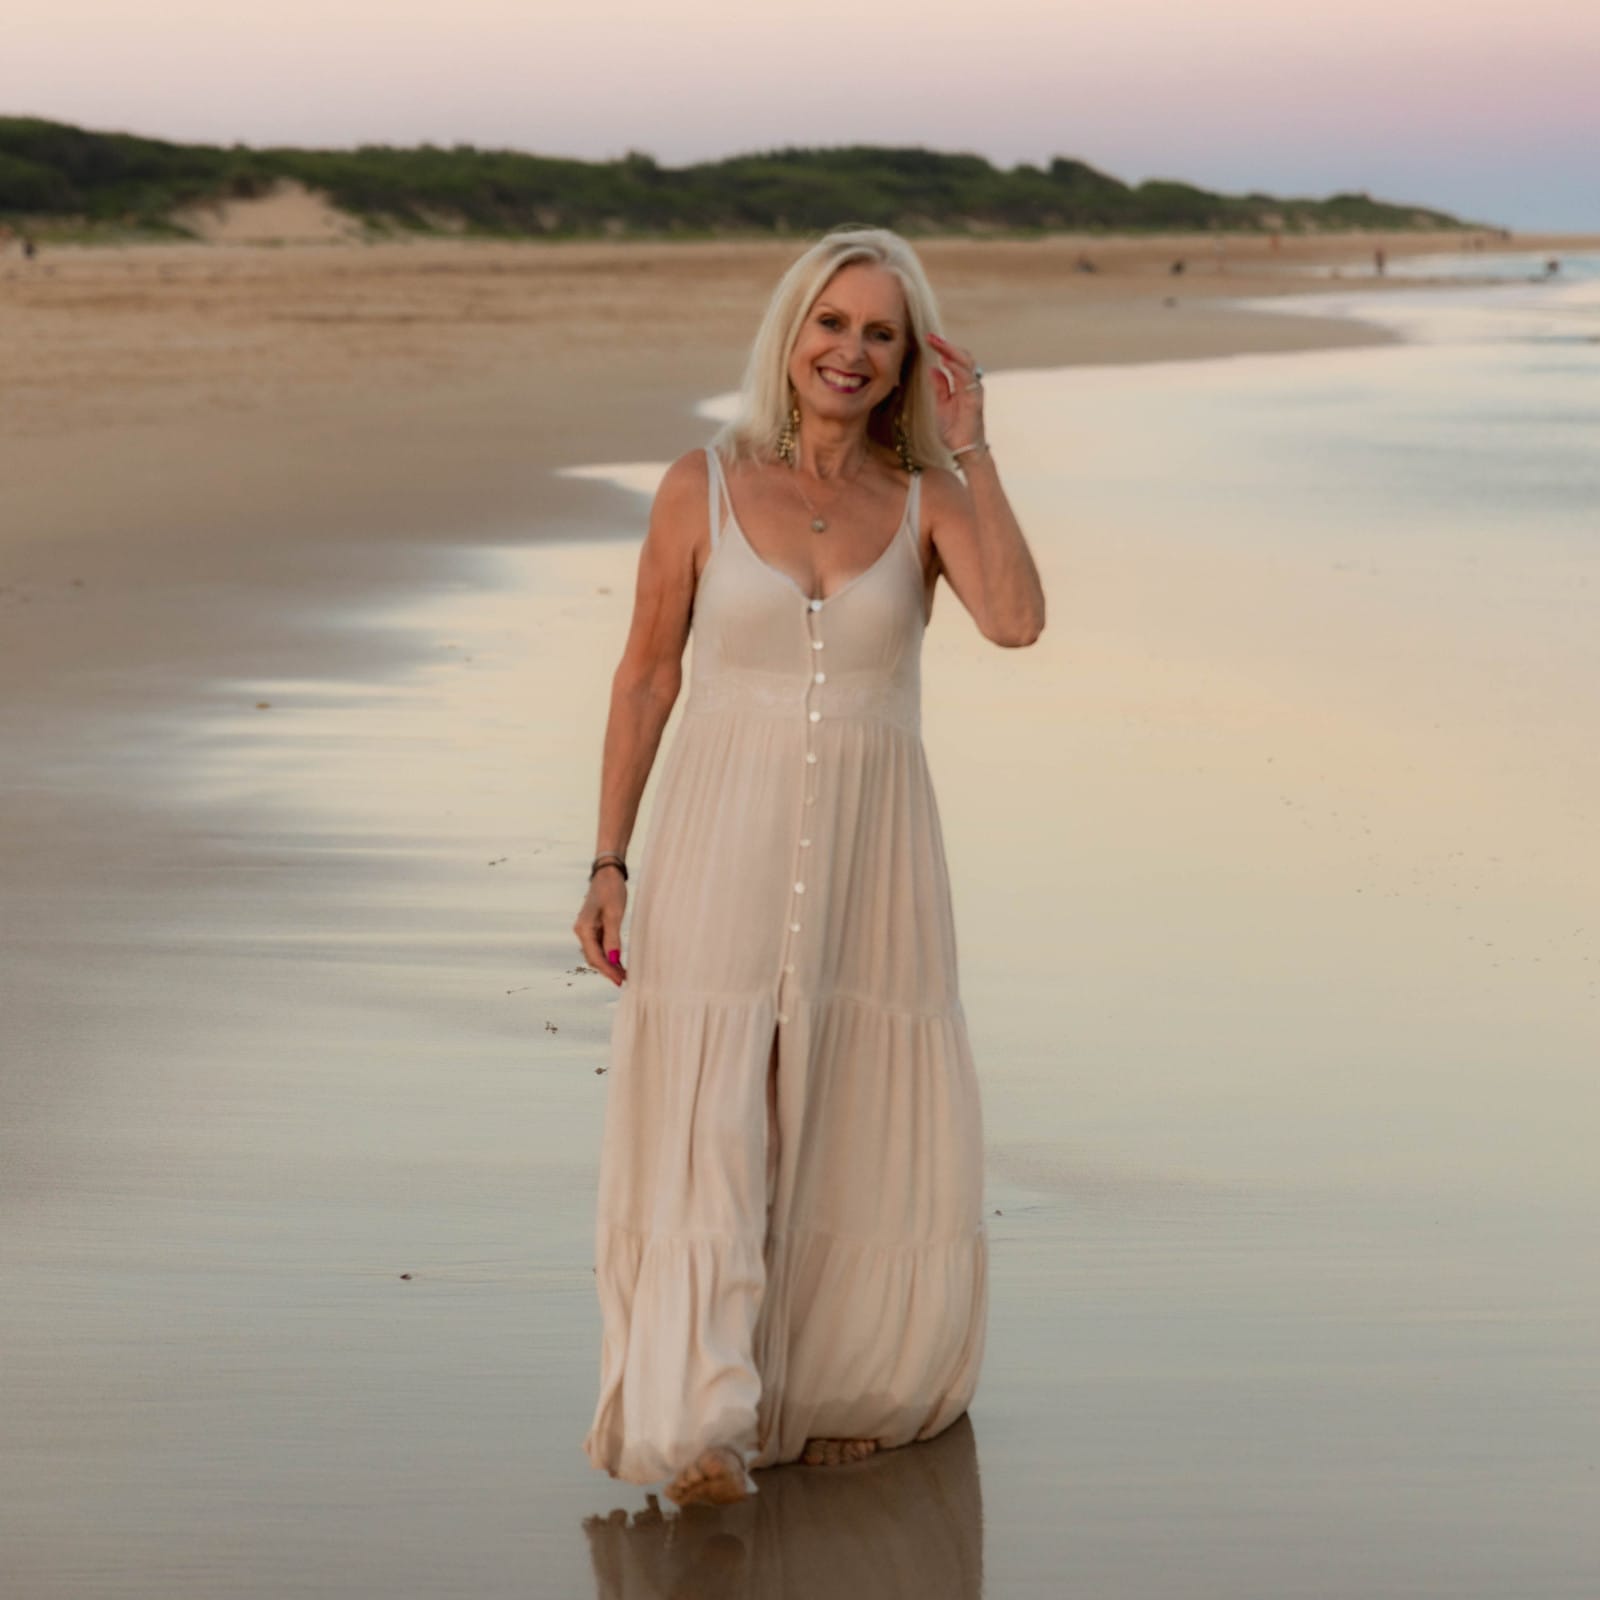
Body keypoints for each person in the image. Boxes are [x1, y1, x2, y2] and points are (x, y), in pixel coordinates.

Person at [573, 225, 1045, 1509]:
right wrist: (609, 856)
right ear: (791, 334)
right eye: (832, 323)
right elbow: (647, 673)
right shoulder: (702, 484)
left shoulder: (930, 499)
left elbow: (1014, 619)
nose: (851, 350)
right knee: (716, 1108)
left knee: (846, 1103)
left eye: (881, 333)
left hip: (874, 849)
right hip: (717, 835)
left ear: (908, 363)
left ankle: (842, 1389)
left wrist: (976, 444)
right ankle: (703, 1409)